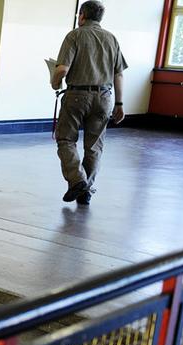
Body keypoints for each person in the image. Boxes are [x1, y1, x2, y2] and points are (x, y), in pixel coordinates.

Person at [50, 0, 127, 205]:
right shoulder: (112, 39)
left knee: (65, 139)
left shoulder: (75, 35)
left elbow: (62, 69)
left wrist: (54, 82)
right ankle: (86, 192)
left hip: (77, 95)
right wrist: (119, 104)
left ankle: (77, 181)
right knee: (94, 146)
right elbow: (118, 74)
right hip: (105, 97)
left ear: (82, 15)